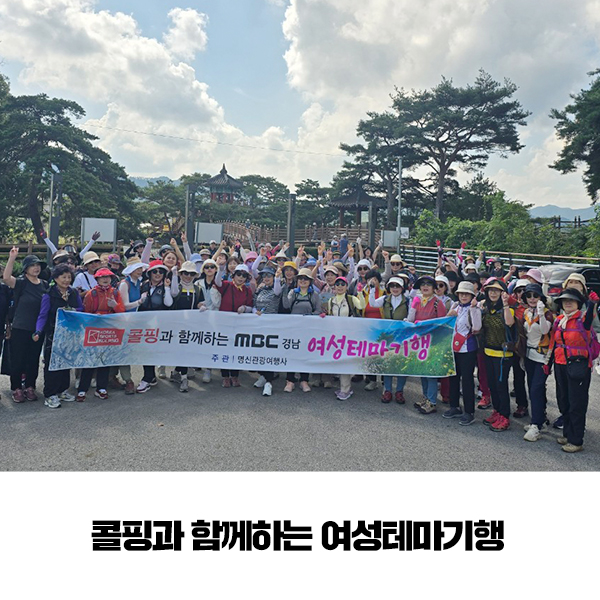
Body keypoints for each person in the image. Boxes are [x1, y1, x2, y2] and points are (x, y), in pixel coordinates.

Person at [547, 288, 599, 452]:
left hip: (578, 365)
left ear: (578, 303)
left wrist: (592, 303)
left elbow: (590, 317)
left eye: (571, 300)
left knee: (577, 402)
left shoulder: (583, 319)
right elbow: (554, 343)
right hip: (560, 364)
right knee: (564, 400)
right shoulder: (559, 320)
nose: (568, 302)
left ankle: (576, 441)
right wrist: (548, 363)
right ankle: (568, 434)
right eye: (565, 300)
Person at [33, 264, 84, 408]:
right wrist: (38, 331)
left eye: (69, 277)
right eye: (63, 277)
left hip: (70, 333)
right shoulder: (49, 295)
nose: (67, 280)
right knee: (52, 364)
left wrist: (72, 310)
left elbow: (81, 308)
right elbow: (43, 315)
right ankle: (50, 394)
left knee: (66, 362)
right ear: (55, 278)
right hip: (54, 334)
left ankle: (62, 390)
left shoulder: (74, 293)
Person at [3, 249, 49, 402]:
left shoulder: (44, 284)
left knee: (33, 359)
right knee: (18, 359)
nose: (36, 268)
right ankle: (16, 388)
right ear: (26, 268)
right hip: (20, 327)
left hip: (38, 329)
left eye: (38, 265)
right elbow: (6, 278)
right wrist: (12, 257)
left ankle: (30, 386)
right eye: (32, 265)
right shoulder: (21, 282)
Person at [76, 268, 125, 401]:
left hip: (109, 331)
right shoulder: (91, 294)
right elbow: (86, 314)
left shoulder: (115, 293)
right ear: (97, 279)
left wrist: (114, 306)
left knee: (105, 360)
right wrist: (95, 317)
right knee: (89, 360)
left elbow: (122, 312)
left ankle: (101, 388)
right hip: (94, 330)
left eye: (108, 277)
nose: (105, 279)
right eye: (102, 277)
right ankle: (82, 389)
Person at [443, 281, 482, 425]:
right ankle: (454, 406)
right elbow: (446, 325)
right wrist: (449, 315)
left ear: (472, 295)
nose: (464, 296)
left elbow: (477, 328)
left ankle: (469, 411)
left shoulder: (475, 308)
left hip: (467, 348)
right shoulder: (455, 306)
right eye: (461, 294)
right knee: (453, 377)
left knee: (467, 380)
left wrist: (473, 309)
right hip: (453, 346)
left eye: (467, 294)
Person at [479, 278, 515, 432]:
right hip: (488, 352)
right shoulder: (486, 309)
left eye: (496, 290)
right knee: (492, 385)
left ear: (502, 293)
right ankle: (497, 411)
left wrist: (506, 304)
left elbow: (509, 323)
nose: (493, 293)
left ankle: (505, 416)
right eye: (490, 290)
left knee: (501, 386)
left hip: (503, 354)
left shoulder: (508, 309)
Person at [408, 275, 447, 414]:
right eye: (422, 284)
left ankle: (432, 401)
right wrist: (413, 307)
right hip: (419, 343)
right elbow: (411, 319)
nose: (425, 286)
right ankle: (425, 398)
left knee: (431, 373)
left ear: (434, 288)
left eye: (428, 284)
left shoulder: (438, 303)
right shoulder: (417, 300)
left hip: (433, 343)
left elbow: (442, 324)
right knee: (422, 372)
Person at [520, 283, 554, 442]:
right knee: (533, 389)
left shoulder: (547, 314)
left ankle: (536, 425)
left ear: (541, 297)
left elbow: (545, 330)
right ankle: (540, 420)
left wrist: (540, 313)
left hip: (542, 357)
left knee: (536, 389)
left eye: (535, 295)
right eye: (529, 295)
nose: (532, 298)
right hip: (529, 356)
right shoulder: (526, 312)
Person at [323, 275, 365, 400]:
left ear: (346, 286)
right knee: (341, 361)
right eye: (337, 284)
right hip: (337, 336)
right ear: (334, 287)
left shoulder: (351, 299)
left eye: (343, 284)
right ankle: (344, 387)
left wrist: (360, 293)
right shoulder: (331, 301)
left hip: (350, 335)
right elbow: (330, 316)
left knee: (346, 361)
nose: (340, 287)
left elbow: (362, 306)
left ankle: (345, 389)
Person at [368, 276, 409, 403]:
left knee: (402, 364)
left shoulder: (408, 301)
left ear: (402, 288)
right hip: (388, 336)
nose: (395, 289)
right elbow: (372, 304)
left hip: (402, 336)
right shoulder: (385, 299)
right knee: (387, 363)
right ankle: (388, 390)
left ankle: (400, 391)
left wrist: (407, 320)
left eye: (397, 286)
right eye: (392, 286)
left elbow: (412, 315)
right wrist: (371, 289)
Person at [136, 260, 174, 393]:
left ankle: (148, 377)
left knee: (153, 350)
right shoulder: (143, 285)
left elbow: (168, 303)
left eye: (161, 272)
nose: (158, 274)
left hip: (159, 324)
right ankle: (149, 376)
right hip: (144, 323)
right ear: (150, 273)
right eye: (155, 271)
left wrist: (167, 288)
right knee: (145, 350)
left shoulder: (165, 287)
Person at [282, 267, 321, 392]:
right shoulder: (293, 292)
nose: (303, 281)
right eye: (300, 278)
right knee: (291, 353)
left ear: (310, 281)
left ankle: (304, 380)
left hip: (308, 329)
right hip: (293, 328)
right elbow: (286, 305)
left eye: (306, 279)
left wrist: (309, 316)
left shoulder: (314, 295)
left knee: (305, 354)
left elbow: (318, 310)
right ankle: (290, 380)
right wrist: (284, 292)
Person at [216, 264, 254, 388]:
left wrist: (244, 308)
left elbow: (250, 306)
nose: (241, 277)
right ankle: (225, 376)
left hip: (239, 324)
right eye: (238, 274)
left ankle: (235, 375)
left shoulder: (247, 290)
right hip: (224, 323)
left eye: (244, 275)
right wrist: (221, 269)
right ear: (234, 275)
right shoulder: (227, 285)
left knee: (237, 349)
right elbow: (217, 282)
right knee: (224, 349)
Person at [170, 261, 205, 392]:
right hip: (177, 325)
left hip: (191, 325)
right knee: (181, 350)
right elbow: (173, 295)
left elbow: (199, 302)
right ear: (181, 274)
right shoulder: (176, 287)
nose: (188, 276)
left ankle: (176, 372)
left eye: (191, 274)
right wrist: (174, 276)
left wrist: (201, 306)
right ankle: (183, 378)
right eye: (185, 273)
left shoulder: (198, 289)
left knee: (186, 350)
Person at [118, 257, 149, 394]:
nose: (140, 270)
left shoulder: (139, 283)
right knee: (124, 351)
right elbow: (124, 305)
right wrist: (139, 302)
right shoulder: (125, 284)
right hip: (124, 322)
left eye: (140, 268)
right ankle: (127, 380)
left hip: (135, 321)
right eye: (137, 268)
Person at [252, 266, 282, 397]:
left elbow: (277, 291)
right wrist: (255, 312)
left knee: (268, 352)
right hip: (259, 324)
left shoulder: (277, 289)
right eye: (264, 276)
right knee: (259, 351)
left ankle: (269, 382)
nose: (266, 278)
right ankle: (263, 376)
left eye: (269, 276)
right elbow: (254, 304)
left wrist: (277, 278)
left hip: (272, 325)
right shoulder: (260, 289)